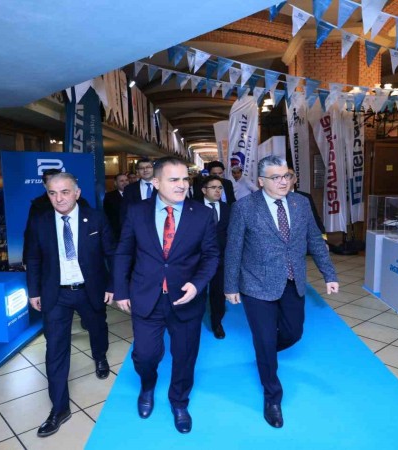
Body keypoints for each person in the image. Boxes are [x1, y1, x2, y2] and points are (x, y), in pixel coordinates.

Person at [224, 155, 339, 429]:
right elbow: (233, 249)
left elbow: (315, 240)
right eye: (275, 177)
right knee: (264, 339)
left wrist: (329, 274)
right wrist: (230, 286)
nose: (283, 182)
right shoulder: (244, 207)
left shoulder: (301, 203)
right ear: (261, 181)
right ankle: (272, 397)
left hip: (292, 280)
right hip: (256, 283)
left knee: (294, 332)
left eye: (286, 175)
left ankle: (265, 352)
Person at [113, 156, 219, 434]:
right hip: (146, 296)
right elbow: (123, 252)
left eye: (185, 179)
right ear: (156, 182)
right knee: (145, 355)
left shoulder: (202, 214)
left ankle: (179, 402)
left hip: (185, 299)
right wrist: (121, 290)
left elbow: (211, 255)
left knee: (185, 356)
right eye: (174, 179)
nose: (182, 185)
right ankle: (147, 386)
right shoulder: (137, 212)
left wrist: (197, 284)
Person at [24, 171, 116, 438]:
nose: (59, 198)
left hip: (90, 289)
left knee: (97, 328)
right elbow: (33, 258)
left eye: (65, 192)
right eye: (52, 193)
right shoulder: (40, 222)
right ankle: (59, 408)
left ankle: (100, 357)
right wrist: (34, 291)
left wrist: (113, 285)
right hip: (56, 294)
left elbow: (112, 253)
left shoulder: (95, 218)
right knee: (55, 349)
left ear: (77, 193)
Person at [198, 175, 231, 339]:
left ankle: (217, 322)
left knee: (218, 293)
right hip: (198, 259)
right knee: (198, 292)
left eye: (220, 188)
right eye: (213, 188)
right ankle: (193, 322)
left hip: (221, 259)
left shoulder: (228, 209)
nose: (218, 191)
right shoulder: (194, 208)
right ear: (204, 190)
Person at [288, 168, 329, 247]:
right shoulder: (274, 198)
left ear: (295, 180)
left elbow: (316, 221)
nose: (285, 180)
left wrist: (324, 240)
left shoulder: (305, 198)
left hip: (303, 244)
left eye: (288, 176)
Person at [120, 157, 155, 223]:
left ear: (153, 169)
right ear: (137, 171)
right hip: (137, 226)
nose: (145, 170)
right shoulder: (129, 189)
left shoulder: (162, 186)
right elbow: (124, 212)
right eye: (141, 168)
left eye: (148, 167)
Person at [104, 173, 129, 240]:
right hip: (118, 233)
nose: (125, 182)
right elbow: (108, 216)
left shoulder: (135, 194)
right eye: (121, 181)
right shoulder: (109, 197)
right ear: (115, 183)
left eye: (126, 180)